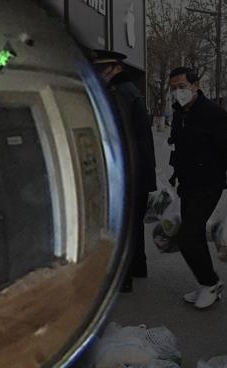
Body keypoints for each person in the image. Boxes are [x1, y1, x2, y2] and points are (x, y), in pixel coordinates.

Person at [167, 66, 227, 309]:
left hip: (209, 184)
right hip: (188, 184)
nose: (178, 92)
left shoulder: (213, 114)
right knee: (195, 235)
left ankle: (211, 282)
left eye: (182, 87)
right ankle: (205, 282)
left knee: (187, 236)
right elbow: (179, 149)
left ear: (195, 85)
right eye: (173, 89)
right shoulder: (179, 113)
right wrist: (175, 178)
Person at [91, 49, 157, 293]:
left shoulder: (117, 93)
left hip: (127, 172)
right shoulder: (132, 91)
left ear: (113, 68)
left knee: (124, 226)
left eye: (102, 70)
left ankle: (124, 278)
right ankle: (139, 267)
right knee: (135, 224)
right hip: (139, 170)